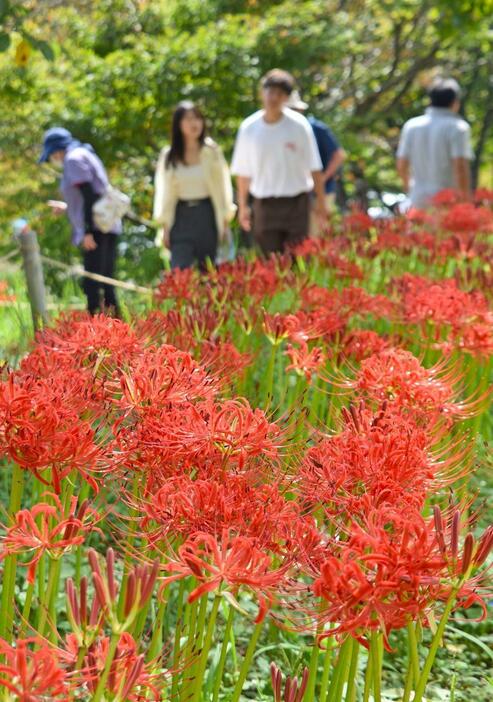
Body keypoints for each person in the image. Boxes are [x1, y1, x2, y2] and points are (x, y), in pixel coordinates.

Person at [231, 69, 327, 255]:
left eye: (280, 94)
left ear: (286, 98)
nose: (273, 97)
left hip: (297, 202)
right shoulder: (249, 128)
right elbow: (243, 172)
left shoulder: (299, 125)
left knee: (298, 259)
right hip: (265, 203)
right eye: (270, 91)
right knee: (270, 261)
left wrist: (321, 202)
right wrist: (243, 207)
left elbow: (314, 166)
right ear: (262, 93)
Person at [39, 127, 121, 316]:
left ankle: (98, 333)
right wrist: (68, 207)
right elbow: (90, 196)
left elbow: (90, 195)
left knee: (93, 285)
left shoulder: (73, 159)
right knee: (106, 282)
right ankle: (117, 330)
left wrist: (87, 231)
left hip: (95, 229)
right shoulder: (84, 153)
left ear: (56, 150)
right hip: (106, 223)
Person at [153, 101, 236, 270]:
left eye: (197, 118)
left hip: (208, 215)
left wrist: (225, 221)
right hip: (180, 216)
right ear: (178, 124)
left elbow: (223, 187)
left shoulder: (211, 151)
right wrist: (165, 226)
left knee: (209, 272)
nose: (194, 123)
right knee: (180, 271)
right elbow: (165, 193)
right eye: (188, 119)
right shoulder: (169, 155)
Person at [396, 78, 473, 208]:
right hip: (448, 200)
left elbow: (402, 164)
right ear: (454, 102)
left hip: (418, 199)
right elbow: (460, 167)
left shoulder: (412, 126)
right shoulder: (458, 128)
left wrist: (409, 186)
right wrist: (465, 200)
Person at [286, 89, 346, 232]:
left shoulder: (316, 128)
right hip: (295, 195)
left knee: (315, 234)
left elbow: (339, 155)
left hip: (322, 192)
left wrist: (322, 179)